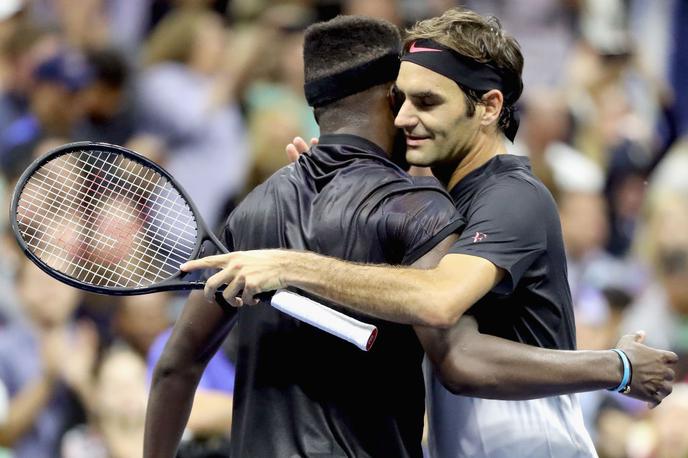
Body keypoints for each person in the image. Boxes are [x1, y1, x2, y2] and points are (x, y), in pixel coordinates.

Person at [183, 9, 677, 458]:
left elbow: (442, 312)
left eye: (426, 102)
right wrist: (329, 191)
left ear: (487, 107)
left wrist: (289, 262)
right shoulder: (434, 195)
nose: (401, 118)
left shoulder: (512, 197)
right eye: (399, 100)